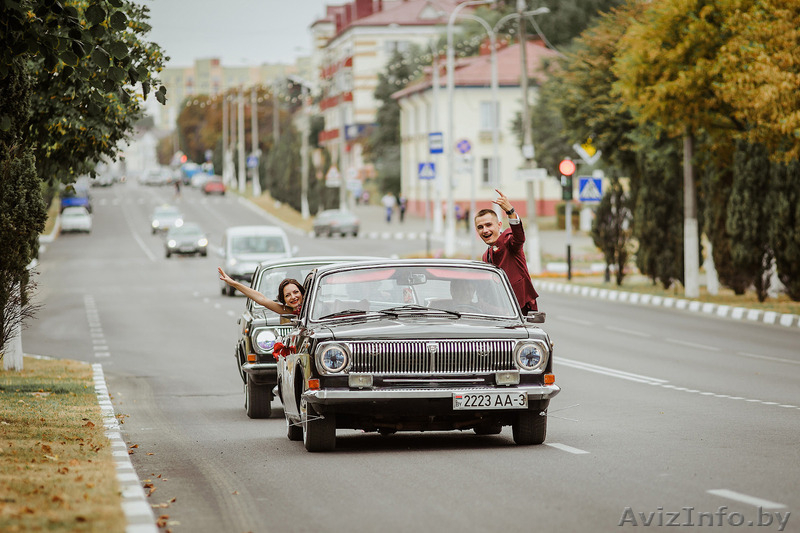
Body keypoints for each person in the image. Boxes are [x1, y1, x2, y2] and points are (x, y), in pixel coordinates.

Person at [474, 189, 539, 314]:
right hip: (498, 311)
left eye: (489, 225)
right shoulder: (485, 256)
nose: (485, 230)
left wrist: (510, 212)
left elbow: (519, 237)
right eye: (480, 227)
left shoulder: (508, 241)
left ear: (499, 225)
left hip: (519, 310)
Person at [218, 267, 304, 315]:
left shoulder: (311, 305)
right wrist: (234, 283)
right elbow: (262, 299)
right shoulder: (289, 311)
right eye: (287, 295)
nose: (293, 297)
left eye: (296, 292)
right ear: (284, 301)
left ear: (302, 293)